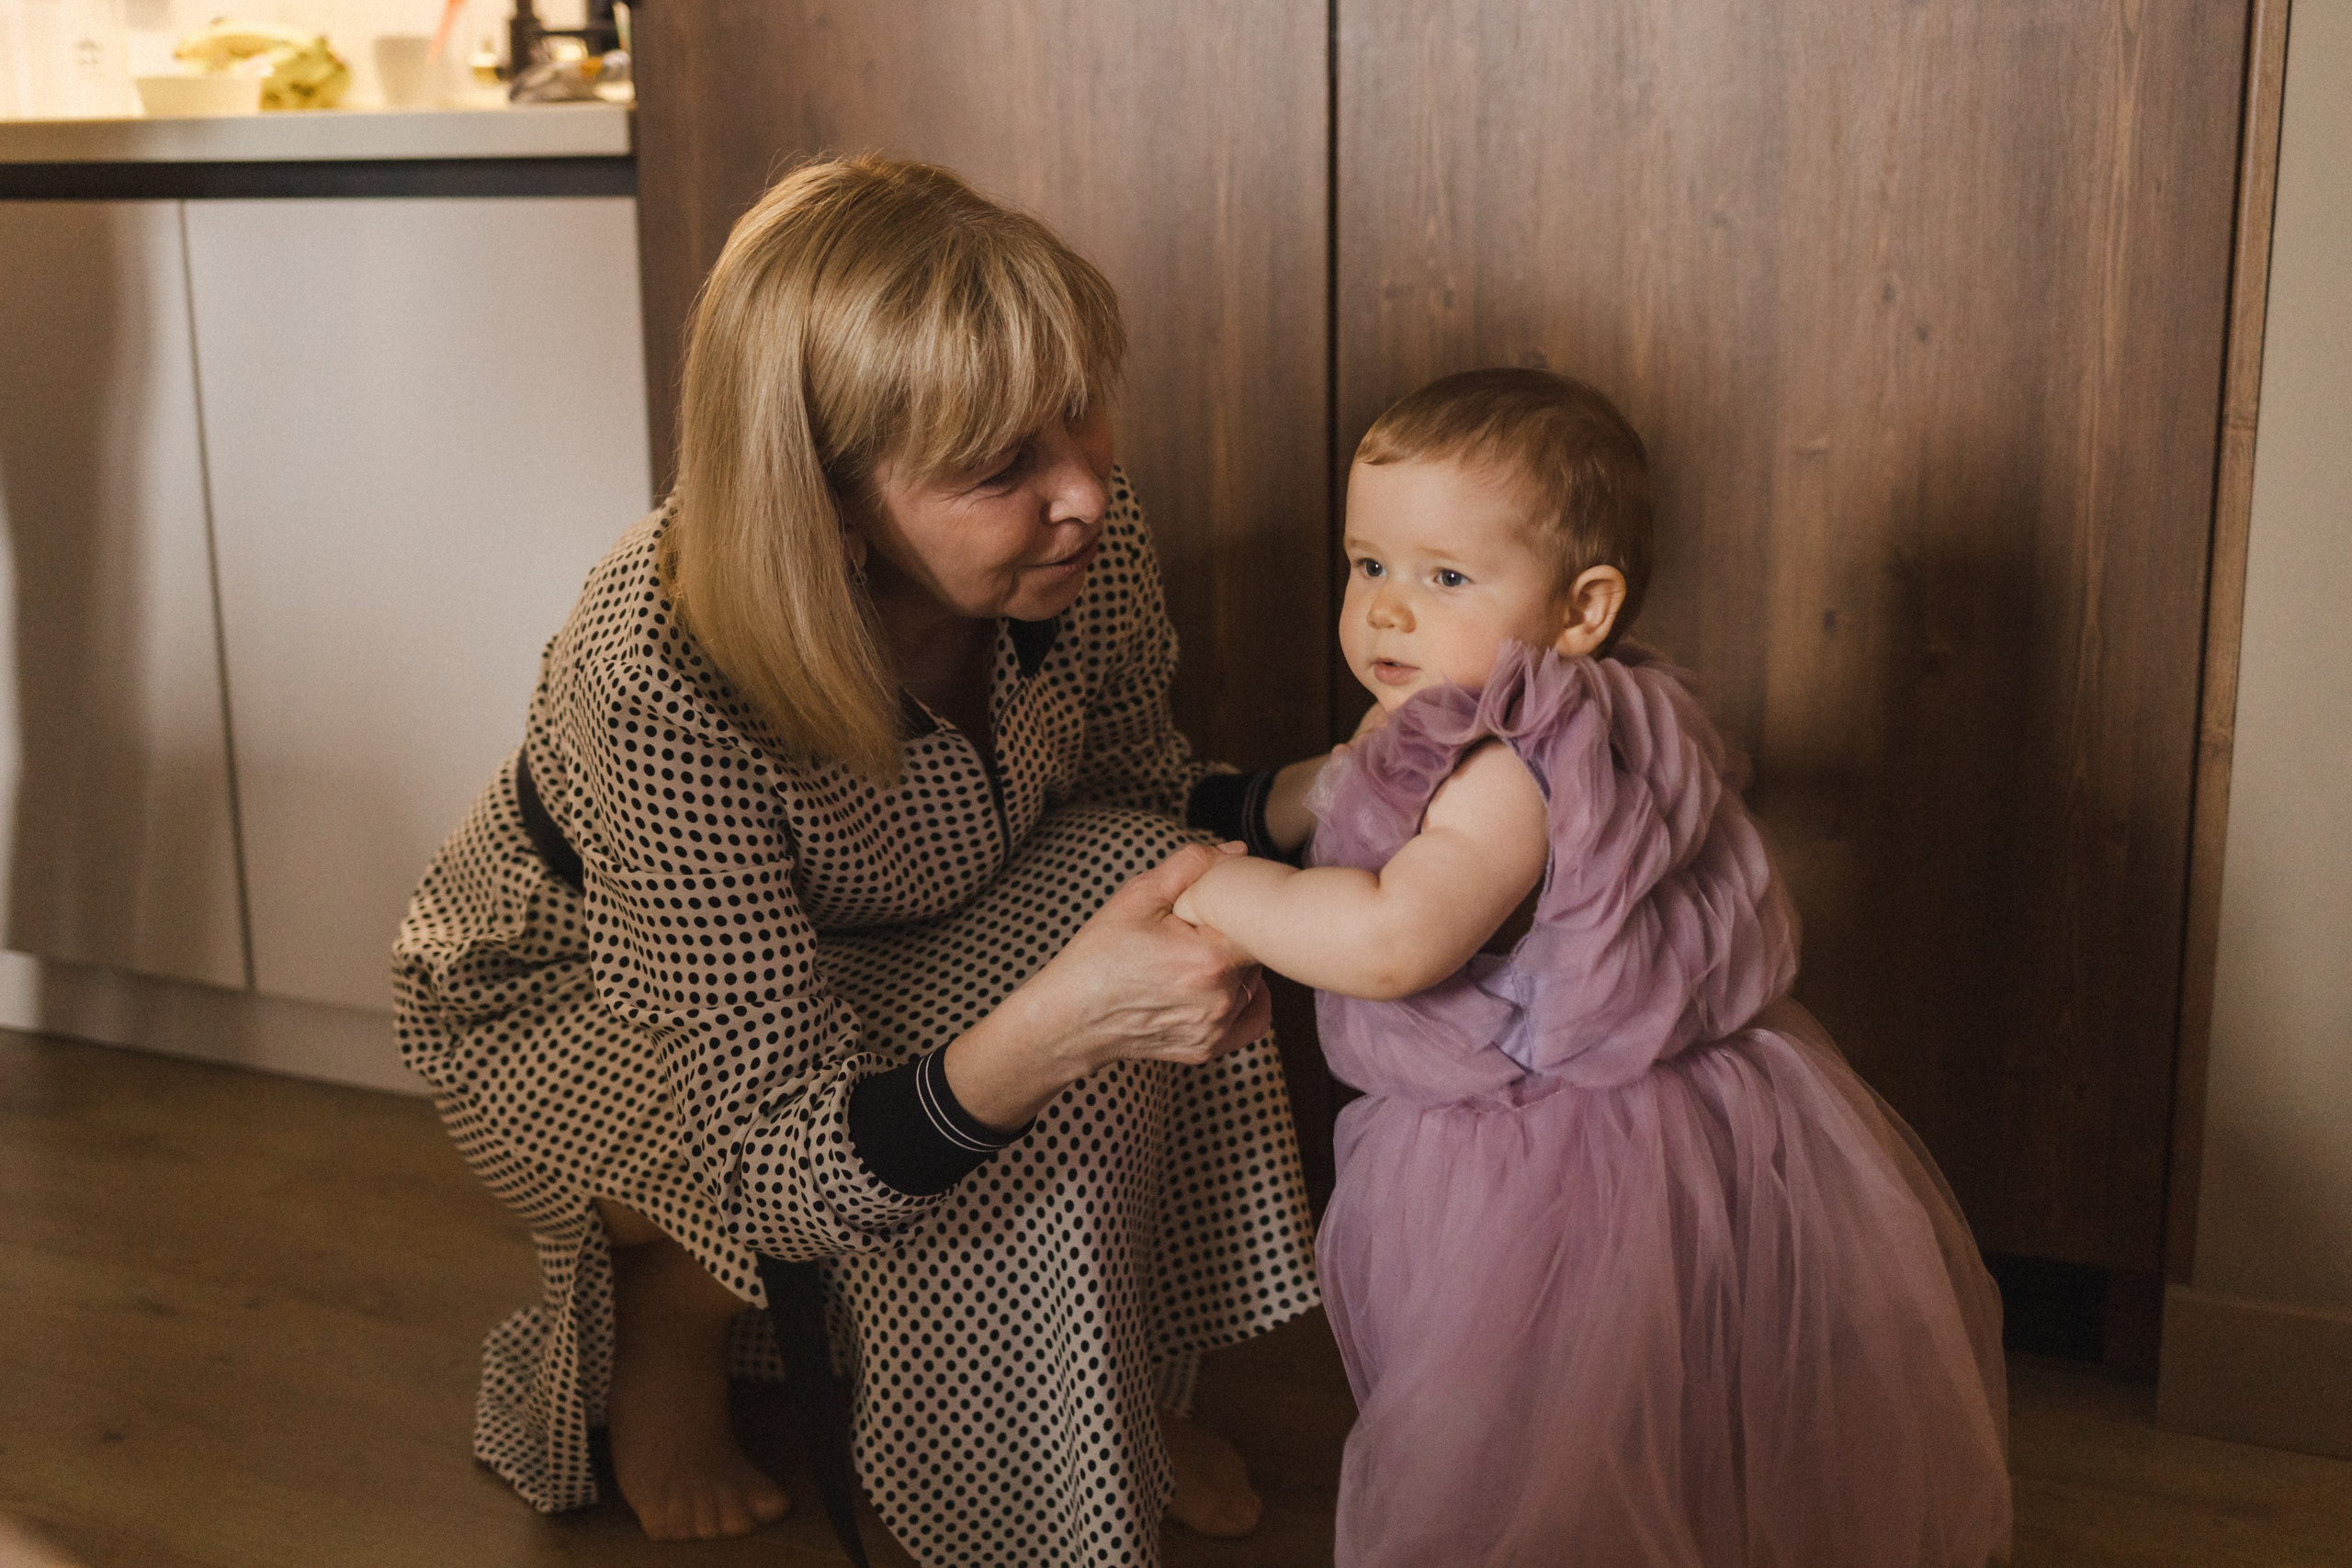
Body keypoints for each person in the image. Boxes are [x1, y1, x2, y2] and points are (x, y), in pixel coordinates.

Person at [391, 155, 1327, 1566]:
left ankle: (1104, 1399)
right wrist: (1058, 1025)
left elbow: (1135, 793)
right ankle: (674, 1322)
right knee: (1023, 1074)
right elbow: (770, 1149)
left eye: (1080, 410)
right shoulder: (655, 678)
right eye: (1004, 466)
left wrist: (1331, 793)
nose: (1086, 485)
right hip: (561, 994)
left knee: (1164, 888)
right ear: (833, 508)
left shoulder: (1080, 537)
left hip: (878, 930)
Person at [1170, 367, 2015, 1566]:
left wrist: (1204, 879)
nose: (1388, 611)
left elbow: (1392, 938)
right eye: (1368, 565)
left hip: (1553, 1157)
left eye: (1445, 577)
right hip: (1646, 1109)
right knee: (1647, 1423)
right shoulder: (1552, 704)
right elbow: (1355, 788)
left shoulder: (1510, 763)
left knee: (1534, 1433)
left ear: (1580, 610)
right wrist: (1293, 801)